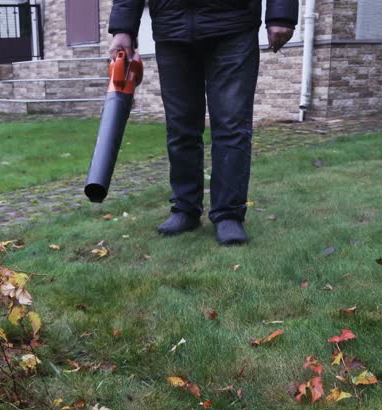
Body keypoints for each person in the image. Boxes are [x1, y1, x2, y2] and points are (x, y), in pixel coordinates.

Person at [108, 0, 298, 244]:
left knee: (232, 125)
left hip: (233, 24)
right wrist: (123, 28)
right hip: (171, 26)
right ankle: (185, 208)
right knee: (180, 126)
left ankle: (228, 214)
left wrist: (281, 14)